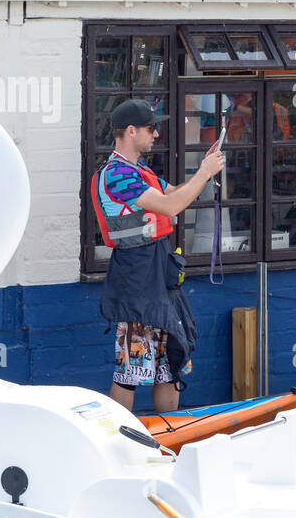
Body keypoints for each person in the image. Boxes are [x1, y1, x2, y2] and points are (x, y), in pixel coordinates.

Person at [91, 99, 225, 413]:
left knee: (170, 364)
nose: (156, 134)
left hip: (159, 273)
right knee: (131, 367)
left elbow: (175, 192)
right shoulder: (116, 175)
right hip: (136, 279)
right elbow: (171, 207)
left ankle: (170, 442)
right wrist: (204, 173)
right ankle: (121, 441)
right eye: (152, 128)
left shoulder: (140, 171)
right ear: (130, 131)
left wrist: (200, 171)